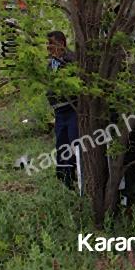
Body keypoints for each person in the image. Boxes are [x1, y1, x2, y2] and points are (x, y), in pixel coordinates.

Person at [47, 31, 78, 189]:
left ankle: (75, 175)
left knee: (74, 142)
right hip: (59, 112)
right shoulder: (50, 63)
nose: (49, 48)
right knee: (61, 143)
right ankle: (64, 176)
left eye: (51, 43)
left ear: (61, 43)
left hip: (72, 108)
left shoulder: (70, 60)